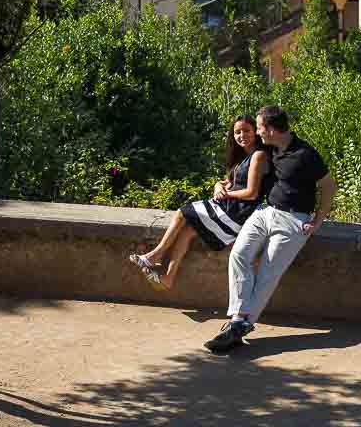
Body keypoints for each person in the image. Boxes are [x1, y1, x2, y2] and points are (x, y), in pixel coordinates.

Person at [204, 104, 336, 354]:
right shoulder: (269, 149)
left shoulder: (306, 154)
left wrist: (317, 221)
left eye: (260, 127)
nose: (257, 132)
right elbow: (241, 171)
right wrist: (219, 184)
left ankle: (239, 325)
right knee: (239, 256)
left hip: (294, 220)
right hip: (265, 212)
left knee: (268, 272)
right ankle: (239, 322)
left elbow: (329, 186)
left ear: (273, 129)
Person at [129, 115, 269, 290]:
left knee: (182, 212)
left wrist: (226, 195)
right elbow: (228, 182)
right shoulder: (242, 157)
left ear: (255, 131)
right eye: (237, 132)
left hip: (236, 214)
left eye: (246, 130)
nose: (242, 135)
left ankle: (155, 256)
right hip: (229, 207)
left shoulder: (259, 156)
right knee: (188, 231)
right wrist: (218, 185)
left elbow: (251, 193)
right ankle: (168, 278)